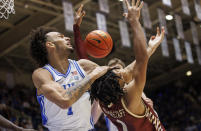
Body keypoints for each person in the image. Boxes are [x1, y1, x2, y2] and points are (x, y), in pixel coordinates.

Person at [89, 0, 166, 130]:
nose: (123, 71)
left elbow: (137, 64)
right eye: (119, 73)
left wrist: (151, 48)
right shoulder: (131, 95)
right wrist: (134, 21)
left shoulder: (104, 99)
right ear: (116, 83)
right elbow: (141, 60)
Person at [30, 13, 109, 131]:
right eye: (61, 36)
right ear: (50, 44)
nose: (67, 37)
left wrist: (134, 24)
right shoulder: (42, 74)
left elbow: (119, 80)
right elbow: (64, 100)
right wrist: (92, 76)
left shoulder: (83, 65)